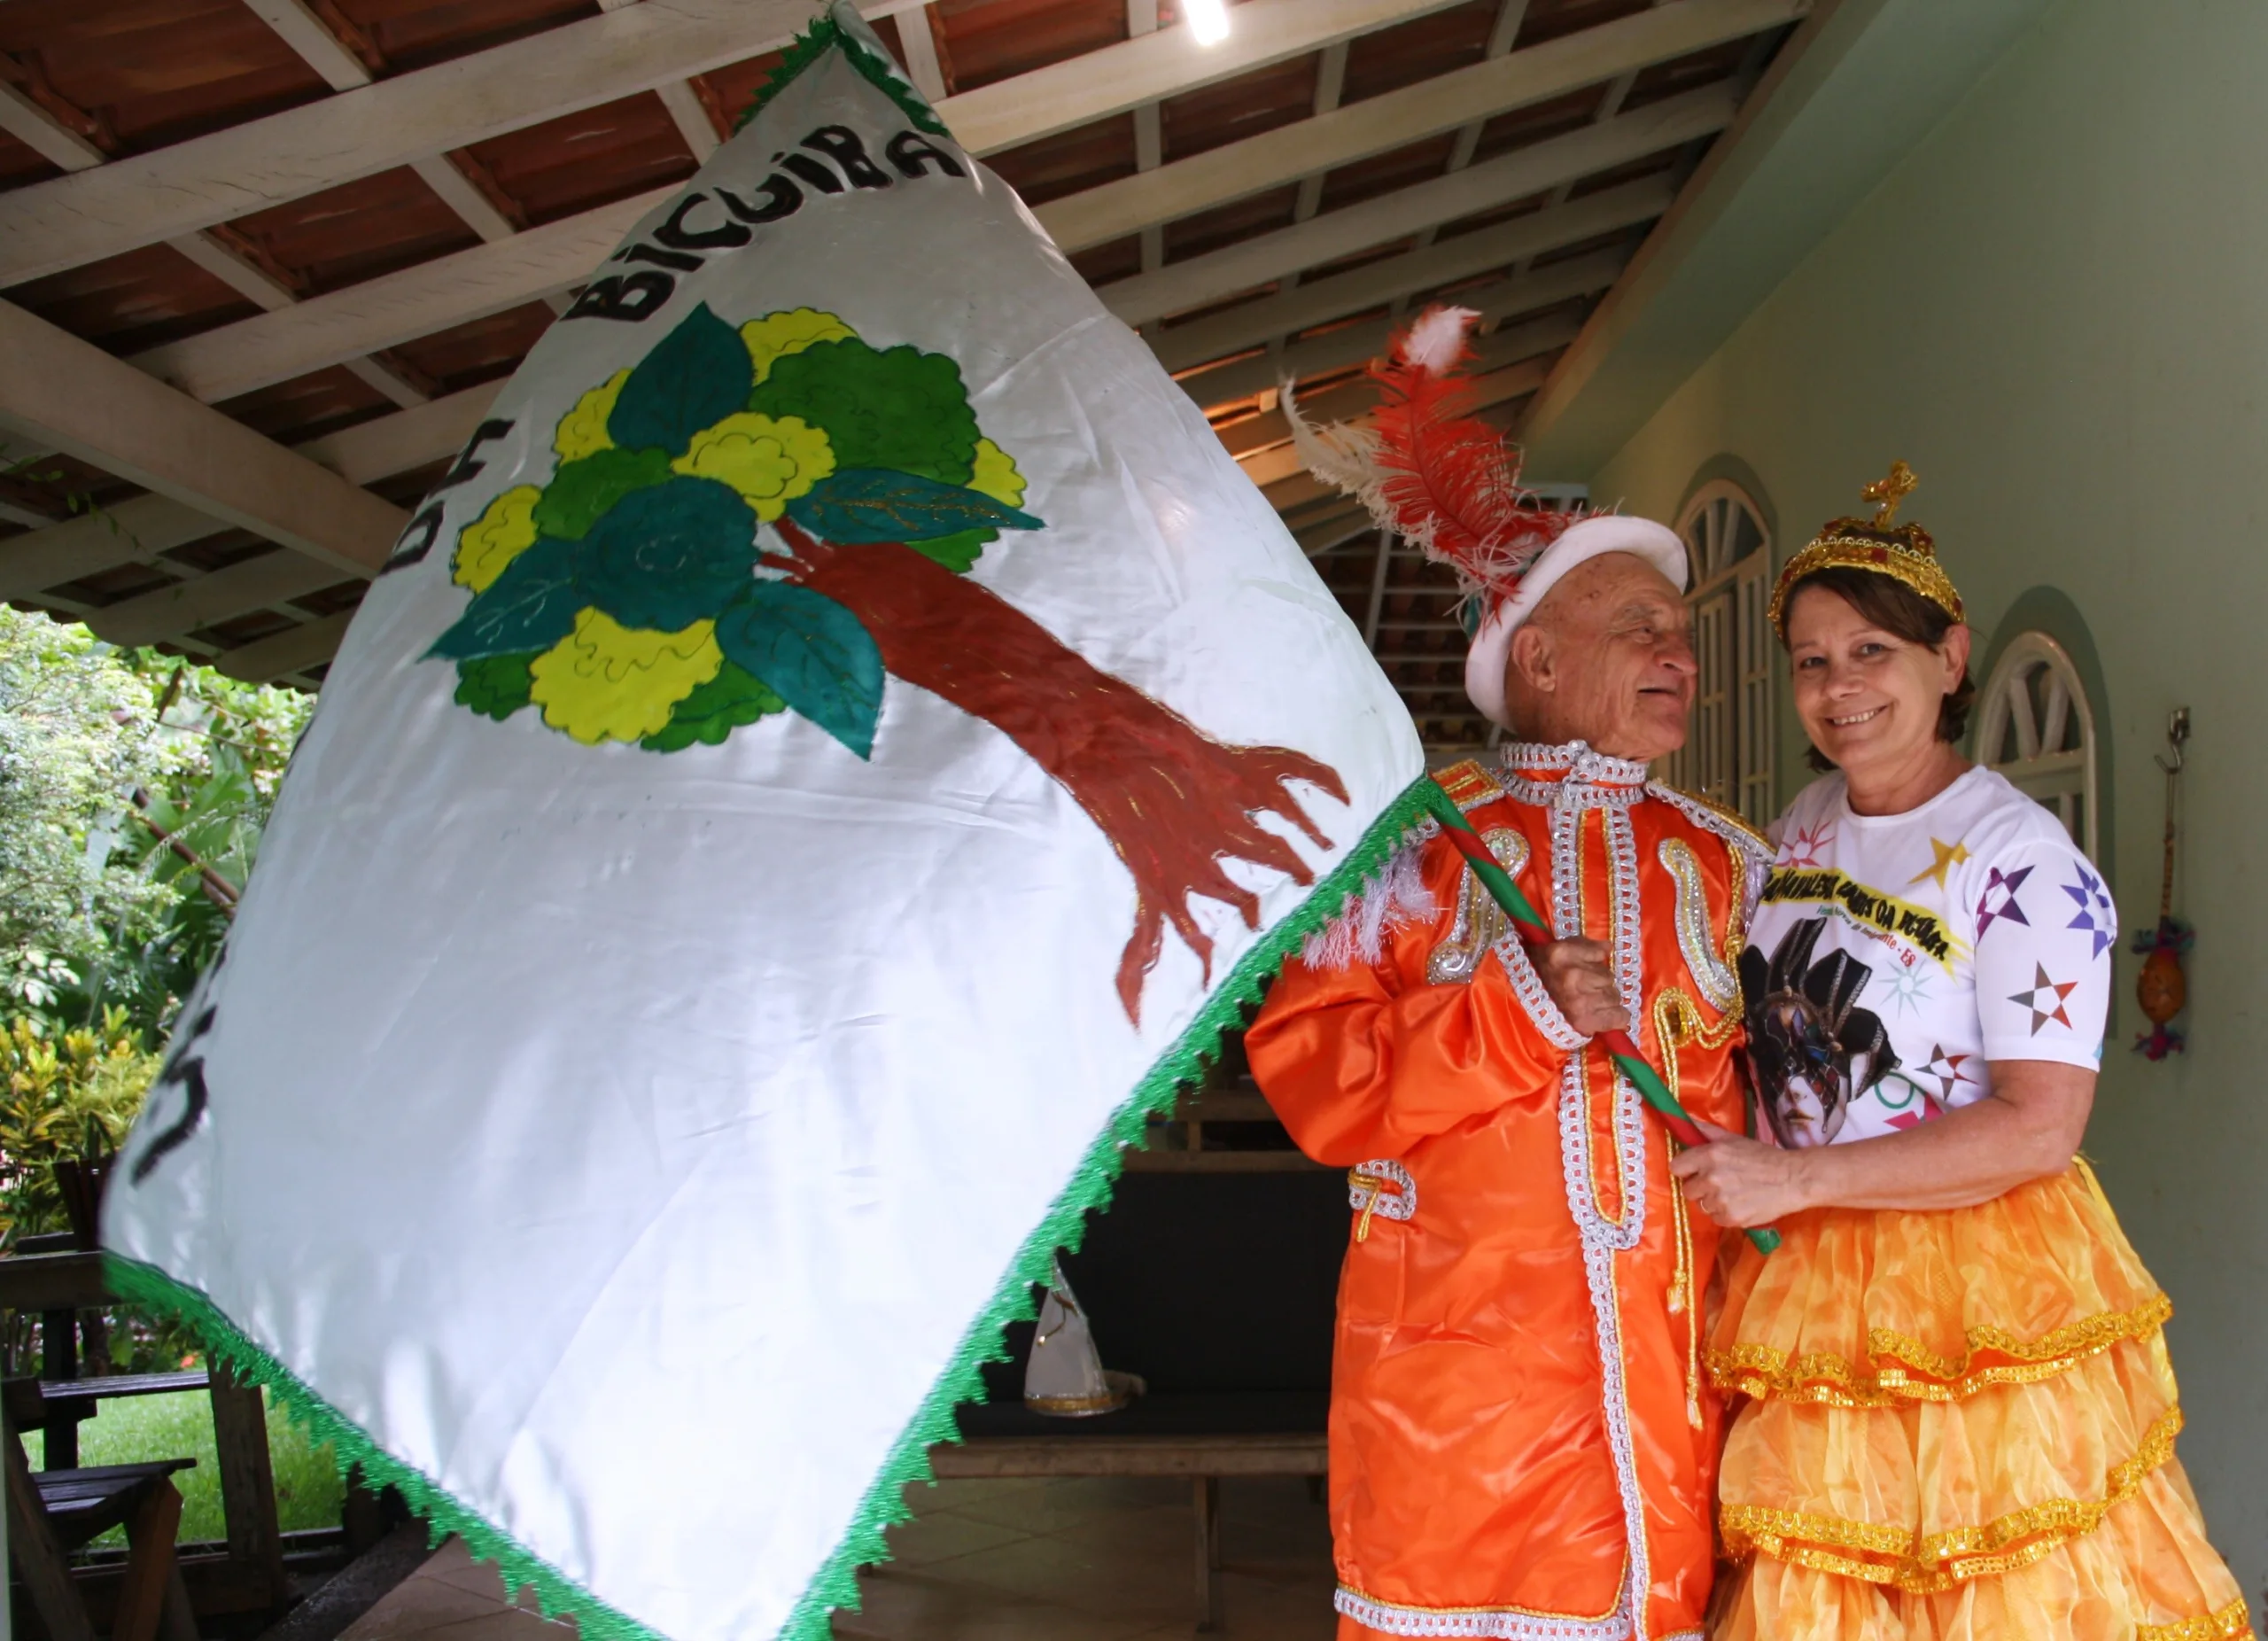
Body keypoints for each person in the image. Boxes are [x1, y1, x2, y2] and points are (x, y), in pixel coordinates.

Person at [1252, 307, 1772, 1641]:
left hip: (1679, 1391)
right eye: (1640, 626)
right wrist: (1515, 1013)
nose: (1680, 654)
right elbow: (1317, 1089)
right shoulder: (1409, 851)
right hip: (1461, 1410)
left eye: (1681, 630)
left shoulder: (1728, 864)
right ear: (1535, 658)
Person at [1673, 465, 2250, 1641]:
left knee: (1990, 1586)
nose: (1840, 689)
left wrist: (1801, 1179)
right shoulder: (1800, 830)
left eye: (1872, 652)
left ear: (1950, 654)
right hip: (1805, 1275)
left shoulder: (2021, 860)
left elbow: (2043, 1124)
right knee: (1820, 1585)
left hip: (1972, 1283)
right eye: (1812, 661)